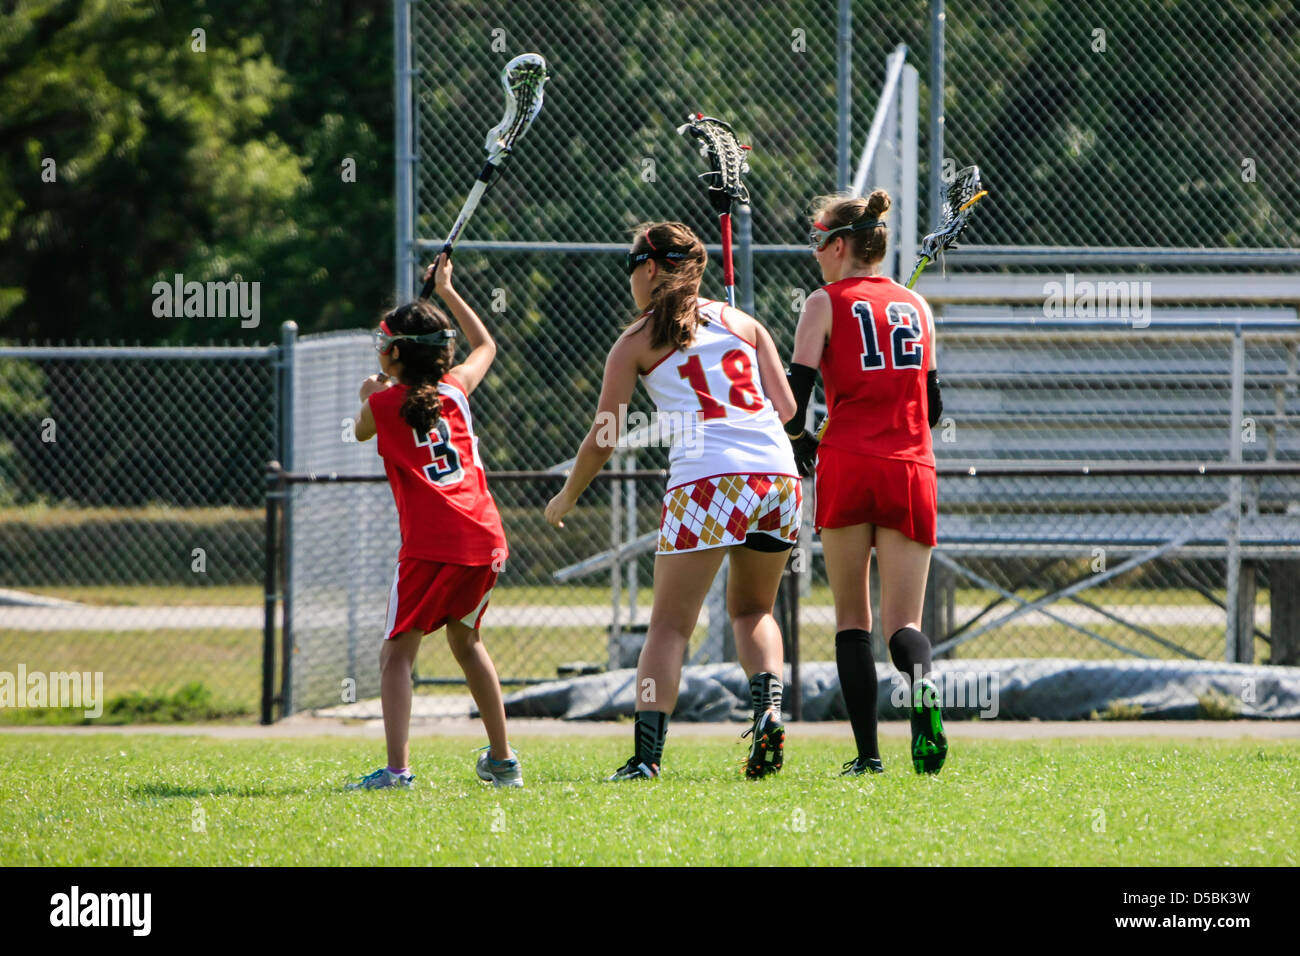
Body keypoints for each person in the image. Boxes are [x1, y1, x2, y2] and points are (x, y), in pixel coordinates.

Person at [545, 221, 801, 780]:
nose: (629, 279)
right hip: (777, 476)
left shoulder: (635, 341)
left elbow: (606, 433)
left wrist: (568, 494)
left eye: (631, 265)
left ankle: (645, 758)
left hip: (706, 481)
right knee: (754, 610)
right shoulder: (746, 324)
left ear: (653, 267)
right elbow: (789, 413)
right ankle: (769, 713)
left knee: (668, 628)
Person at [784, 189, 948, 776]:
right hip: (911, 466)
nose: (814, 254)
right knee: (906, 625)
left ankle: (868, 757)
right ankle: (925, 689)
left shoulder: (821, 304)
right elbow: (930, 407)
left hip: (849, 465)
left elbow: (793, 401)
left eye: (818, 242)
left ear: (841, 244)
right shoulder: (916, 306)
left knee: (854, 621)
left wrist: (804, 442)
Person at [347, 254, 521, 790]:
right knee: (467, 643)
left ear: (396, 353)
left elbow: (359, 430)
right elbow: (486, 345)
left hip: (431, 545)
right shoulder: (456, 389)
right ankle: (503, 762)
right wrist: (447, 291)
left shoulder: (382, 402)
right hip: (485, 538)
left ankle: (398, 772)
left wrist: (370, 393)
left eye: (384, 344)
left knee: (397, 652)